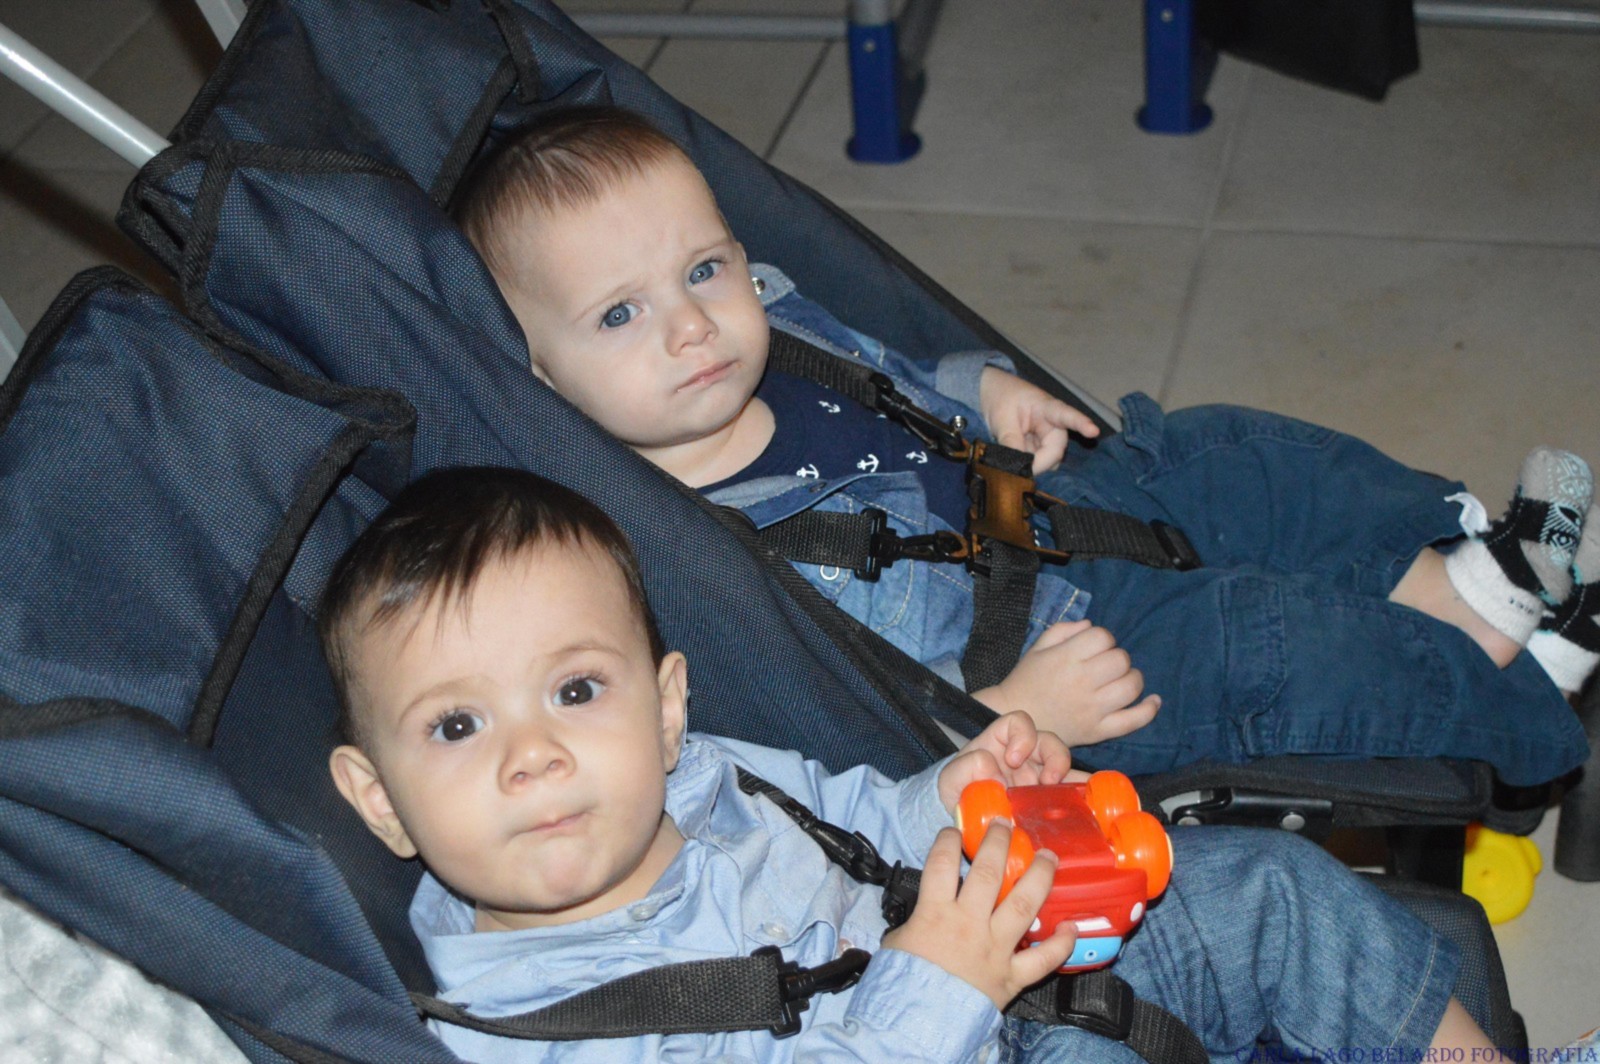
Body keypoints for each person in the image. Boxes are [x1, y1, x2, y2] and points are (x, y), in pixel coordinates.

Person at [450, 104, 1595, 785]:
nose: (692, 324)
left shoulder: (773, 321)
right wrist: (1009, 715)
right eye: (620, 313)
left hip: (1051, 500)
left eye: (704, 269)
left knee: (1231, 455)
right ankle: (1520, 698)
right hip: (1054, 663)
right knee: (1259, 640)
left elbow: (887, 368)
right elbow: (838, 731)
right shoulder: (675, 557)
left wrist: (980, 389)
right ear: (539, 377)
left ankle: (1473, 588)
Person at [320, 465, 1495, 1062]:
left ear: (666, 709)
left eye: (576, 690)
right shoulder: (517, 1026)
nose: (532, 754)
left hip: (988, 990)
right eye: (456, 725)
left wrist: (955, 786)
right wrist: (936, 986)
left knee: (1261, 889)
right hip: (941, 1009)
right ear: (380, 800)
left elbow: (853, 819)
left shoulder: (698, 776)